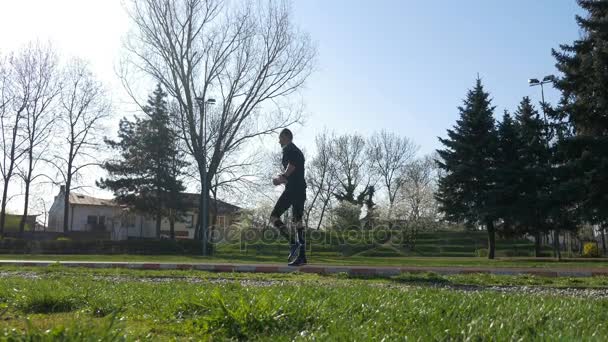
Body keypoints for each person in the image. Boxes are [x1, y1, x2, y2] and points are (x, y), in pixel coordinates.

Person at [270, 128, 307, 266]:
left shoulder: (291, 149)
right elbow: (294, 172)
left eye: (280, 138)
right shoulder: (292, 150)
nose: (279, 141)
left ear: (286, 137)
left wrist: (282, 177)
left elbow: (291, 166)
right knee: (297, 222)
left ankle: (294, 244)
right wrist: (282, 179)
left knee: (275, 217)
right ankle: (300, 253)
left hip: (295, 190)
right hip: (296, 189)